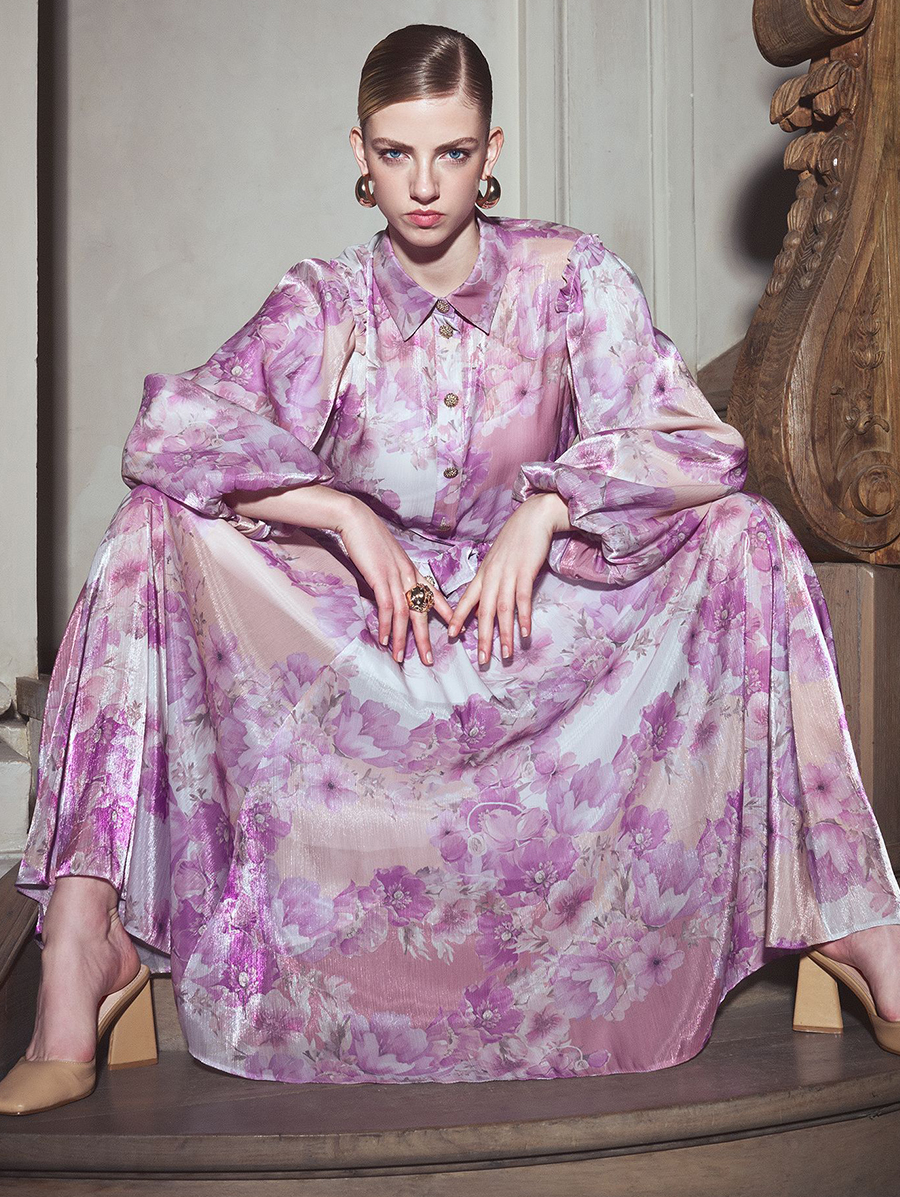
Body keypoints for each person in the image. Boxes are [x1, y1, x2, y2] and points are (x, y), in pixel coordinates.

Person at [2, 22, 900, 1117]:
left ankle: (849, 912)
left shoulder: (569, 277)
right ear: (360, 153)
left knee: (744, 535)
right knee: (150, 527)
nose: (424, 186)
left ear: (491, 151)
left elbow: (699, 447)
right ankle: (83, 935)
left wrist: (551, 505)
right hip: (372, 638)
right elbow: (171, 434)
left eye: (453, 153)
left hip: (536, 635)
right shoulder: (327, 300)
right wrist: (338, 512)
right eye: (396, 154)